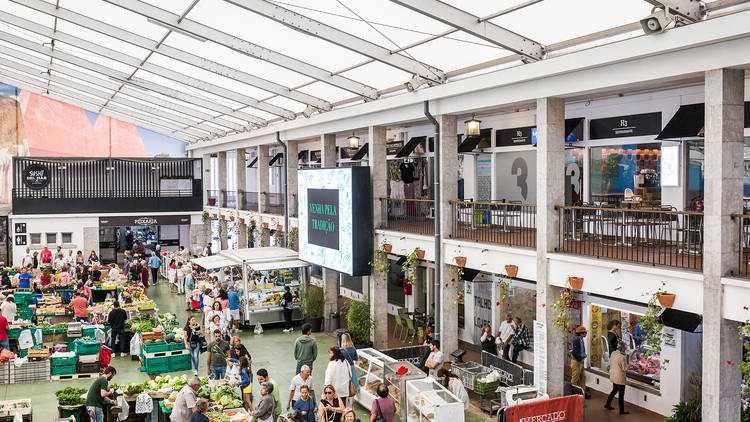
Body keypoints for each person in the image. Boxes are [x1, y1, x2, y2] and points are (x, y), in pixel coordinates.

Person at [605, 342, 630, 415]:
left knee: (614, 390)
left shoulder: (613, 353)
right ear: (622, 348)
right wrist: (628, 362)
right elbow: (625, 368)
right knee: (621, 394)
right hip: (620, 377)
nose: (625, 349)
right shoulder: (622, 357)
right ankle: (621, 410)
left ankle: (607, 403)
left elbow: (610, 362)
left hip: (613, 374)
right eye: (625, 348)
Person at [339, 333, 359, 407]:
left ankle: (343, 406)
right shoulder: (353, 348)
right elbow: (356, 358)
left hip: (344, 369)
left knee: (343, 386)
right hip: (352, 368)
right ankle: (351, 406)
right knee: (351, 387)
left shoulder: (341, 350)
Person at [570, 325, 590, 398]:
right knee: (575, 378)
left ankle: (582, 393)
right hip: (576, 361)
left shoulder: (580, 339)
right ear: (581, 333)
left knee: (583, 377)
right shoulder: (576, 340)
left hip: (580, 361)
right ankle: (572, 394)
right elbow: (574, 352)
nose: (586, 334)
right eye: (585, 333)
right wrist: (580, 359)